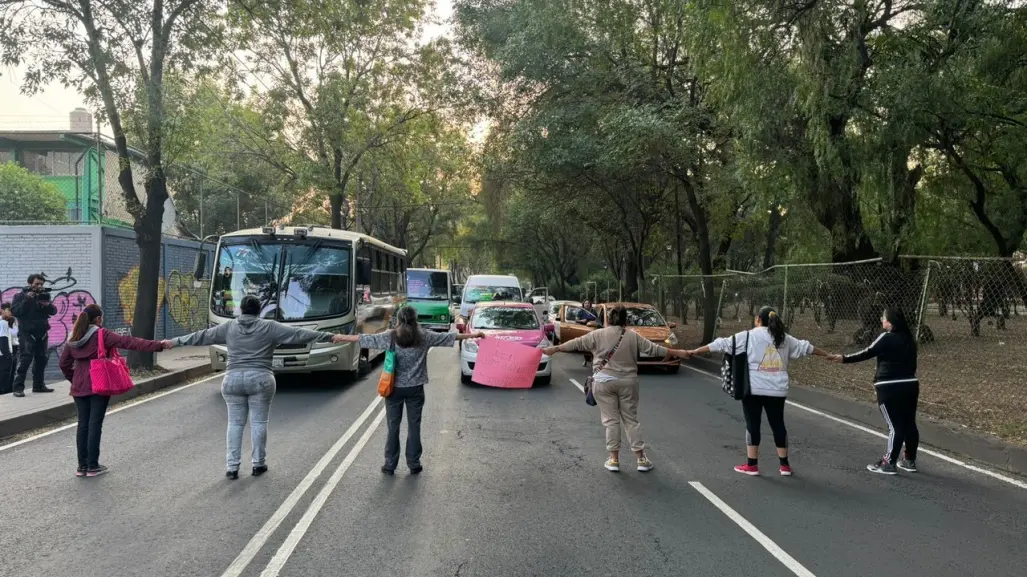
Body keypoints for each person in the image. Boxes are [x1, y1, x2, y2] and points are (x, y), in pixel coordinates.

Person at [165, 295, 348, 480]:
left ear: (241, 310)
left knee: (235, 424)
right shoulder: (269, 327)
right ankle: (258, 464)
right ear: (259, 310)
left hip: (233, 379)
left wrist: (174, 342)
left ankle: (232, 468)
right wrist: (330, 336)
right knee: (259, 423)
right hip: (261, 378)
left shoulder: (229, 327)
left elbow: (201, 336)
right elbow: (298, 333)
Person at [335, 306, 485, 475]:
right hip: (415, 389)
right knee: (414, 426)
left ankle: (390, 464)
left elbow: (365, 339)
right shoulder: (424, 336)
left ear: (398, 320)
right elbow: (450, 337)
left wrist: (340, 337)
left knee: (393, 426)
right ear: (415, 320)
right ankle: (414, 463)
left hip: (393, 389)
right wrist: (474, 335)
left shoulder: (390, 336)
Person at [687, 306, 834, 477]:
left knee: (753, 425)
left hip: (753, 390)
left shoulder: (748, 336)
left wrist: (695, 351)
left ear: (758, 319)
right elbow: (807, 347)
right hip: (778, 390)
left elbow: (722, 344)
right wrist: (828, 355)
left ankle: (752, 465)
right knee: (778, 425)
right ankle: (784, 465)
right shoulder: (784, 338)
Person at [545, 305, 692, 473]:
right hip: (628, 383)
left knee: (611, 421)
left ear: (609, 318)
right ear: (625, 320)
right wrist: (678, 353)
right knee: (631, 420)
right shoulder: (632, 336)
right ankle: (641, 459)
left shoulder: (597, 334)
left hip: (603, 382)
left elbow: (575, 344)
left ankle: (614, 459)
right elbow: (654, 349)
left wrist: (554, 349)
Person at [58, 304, 168, 477]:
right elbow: (130, 342)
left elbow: (63, 363)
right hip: (99, 383)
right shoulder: (102, 334)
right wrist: (158, 345)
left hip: (79, 386)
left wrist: (75, 378)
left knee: (83, 424)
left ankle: (82, 466)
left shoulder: (73, 338)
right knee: (95, 424)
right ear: (98, 319)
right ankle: (93, 465)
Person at [833, 308, 920, 475]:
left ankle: (888, 463)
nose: (882, 320)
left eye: (884, 317)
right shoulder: (910, 339)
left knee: (895, 426)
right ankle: (909, 460)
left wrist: (844, 358)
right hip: (911, 384)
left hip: (889, 386)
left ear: (890, 322)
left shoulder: (886, 337)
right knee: (909, 423)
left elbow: (868, 352)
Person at [11, 274, 57, 397]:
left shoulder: (43, 295)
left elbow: (54, 311)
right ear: (30, 283)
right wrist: (27, 299)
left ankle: (38, 385)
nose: (39, 286)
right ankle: (18, 387)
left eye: (41, 284)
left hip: (42, 333)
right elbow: (16, 312)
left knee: (41, 360)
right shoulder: (20, 296)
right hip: (27, 333)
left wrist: (46, 304)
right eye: (37, 284)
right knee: (25, 359)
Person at [0, 303, 14, 395]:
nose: (10, 313)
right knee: (4, 372)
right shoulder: (3, 323)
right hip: (3, 353)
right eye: (8, 311)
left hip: (3, 352)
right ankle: (3, 391)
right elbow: (3, 339)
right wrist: (7, 354)